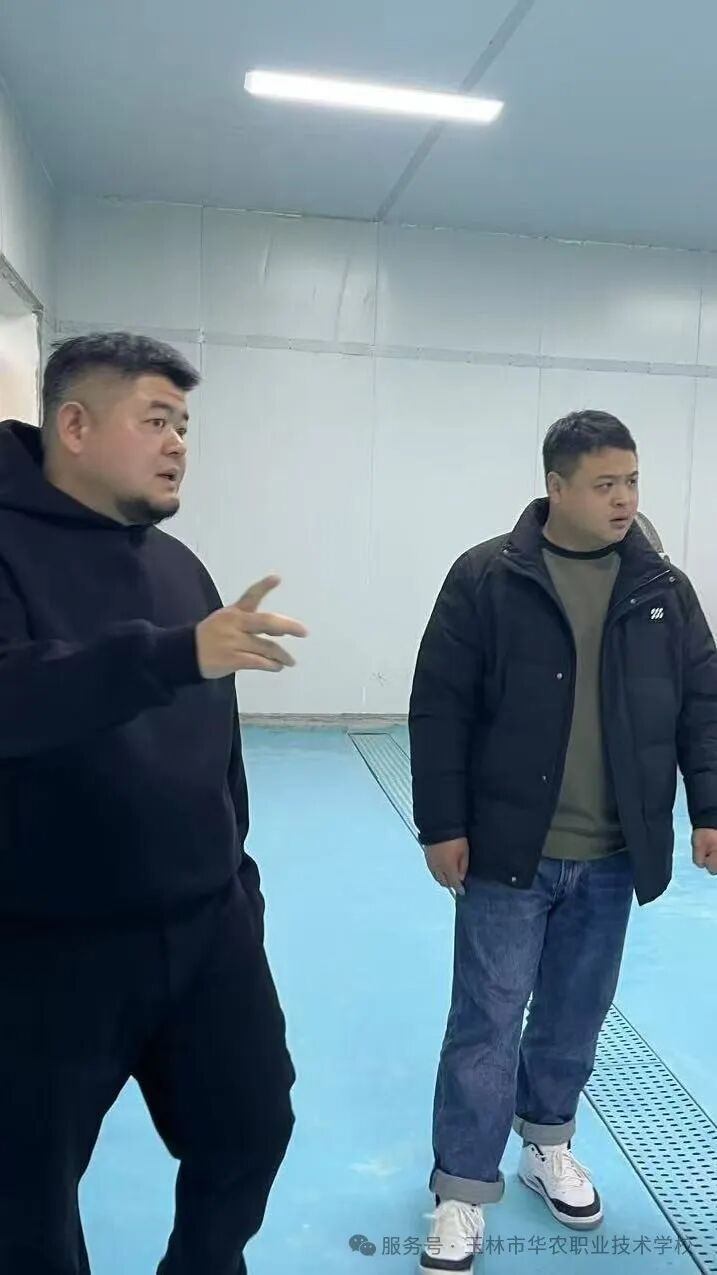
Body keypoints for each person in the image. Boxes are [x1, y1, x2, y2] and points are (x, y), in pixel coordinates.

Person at [0, 332, 307, 1275]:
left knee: (251, 1127)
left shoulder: (181, 567)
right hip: (46, 948)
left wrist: (238, 891)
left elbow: (220, 753)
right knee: (26, 1196)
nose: (178, 443)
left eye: (184, 425)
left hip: (204, 930)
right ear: (75, 425)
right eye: (156, 420)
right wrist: (171, 653)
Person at [409, 410, 717, 1273]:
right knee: (486, 1018)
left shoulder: (661, 589)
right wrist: (442, 823)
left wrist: (708, 807)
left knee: (575, 1014)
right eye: (604, 484)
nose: (623, 499)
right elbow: (439, 707)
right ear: (555, 487)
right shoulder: (487, 578)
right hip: (508, 850)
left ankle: (546, 1144)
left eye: (631, 482)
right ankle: (461, 1190)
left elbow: (702, 705)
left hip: (613, 853)